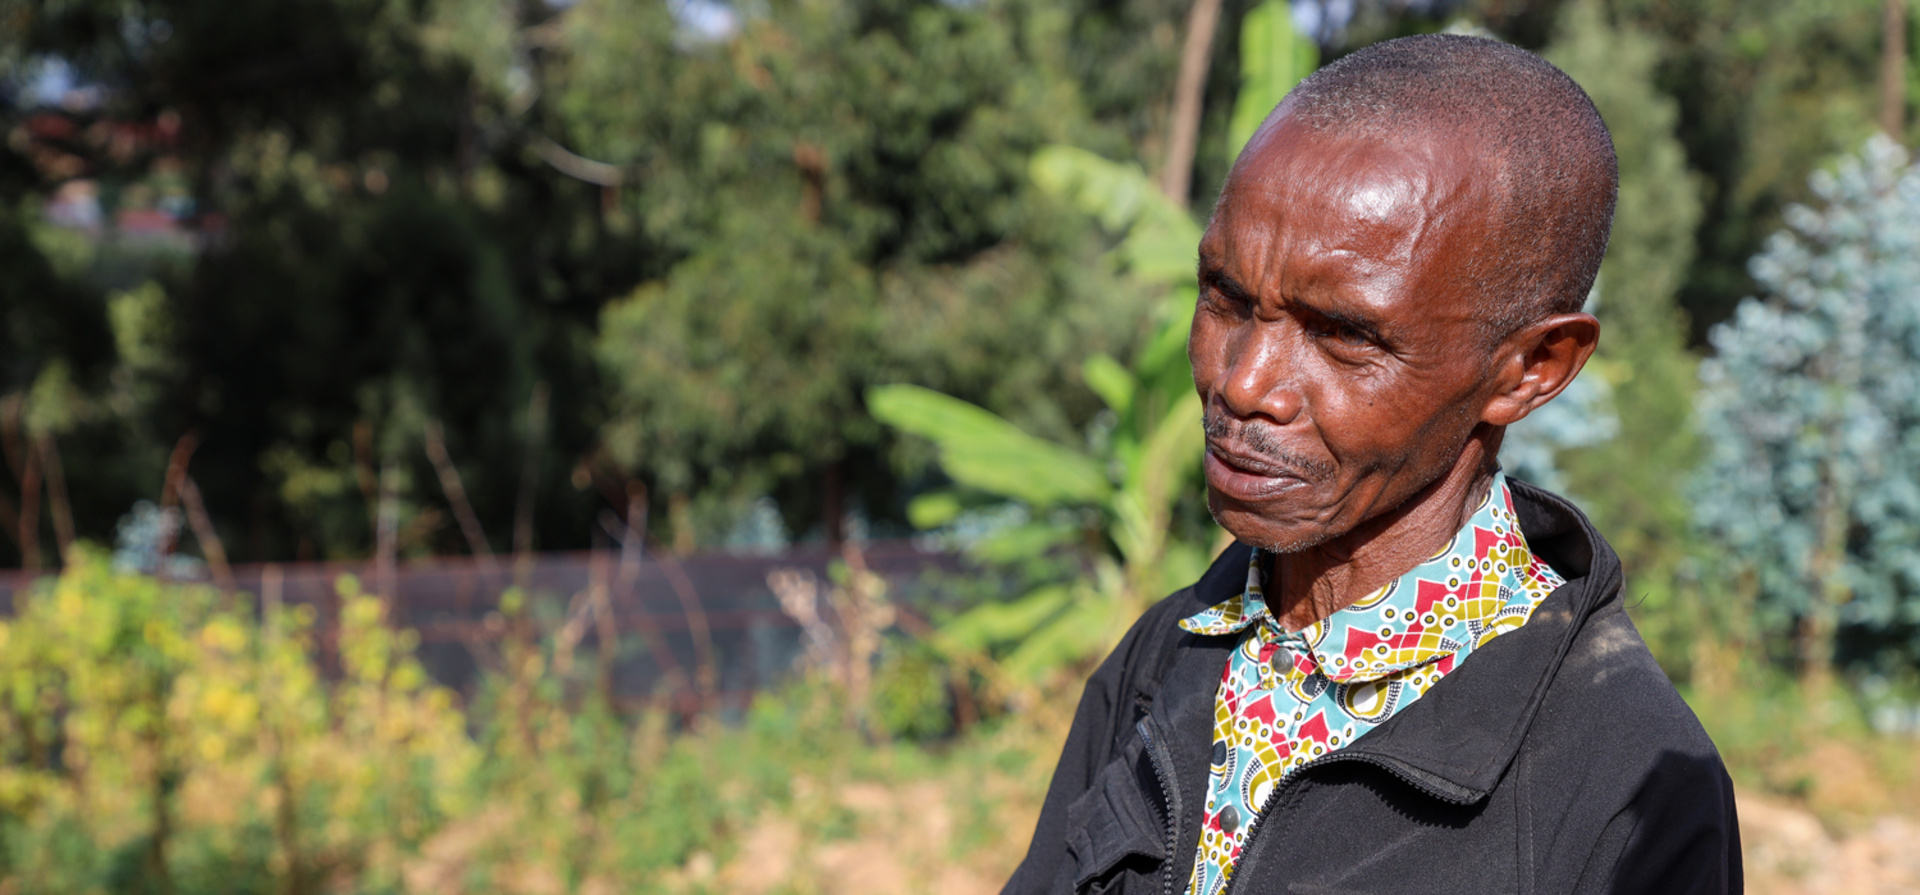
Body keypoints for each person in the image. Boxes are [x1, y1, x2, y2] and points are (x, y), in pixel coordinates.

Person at [1002, 34, 1741, 895]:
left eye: (1345, 335)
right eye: (1225, 298)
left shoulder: (1625, 778)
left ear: (1530, 370)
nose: (1242, 384)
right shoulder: (1165, 658)